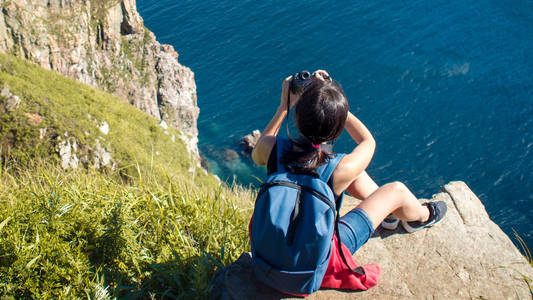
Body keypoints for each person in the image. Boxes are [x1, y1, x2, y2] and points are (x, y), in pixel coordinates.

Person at [251, 69, 447, 261]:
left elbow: (257, 152)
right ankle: (422, 216)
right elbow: (367, 141)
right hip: (313, 267)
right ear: (336, 132)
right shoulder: (341, 168)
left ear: (297, 119)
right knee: (397, 191)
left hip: (265, 258)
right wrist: (332, 101)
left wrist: (284, 105)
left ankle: (389, 218)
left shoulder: (271, 149)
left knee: (355, 175)